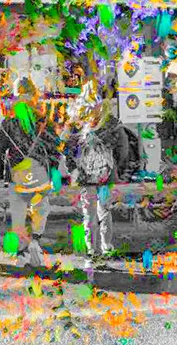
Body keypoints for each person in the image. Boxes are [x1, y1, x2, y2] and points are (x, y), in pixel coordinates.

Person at [0, 76, 61, 267]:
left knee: (18, 213)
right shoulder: (43, 120)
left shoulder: (9, 122)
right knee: (41, 208)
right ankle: (36, 241)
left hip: (17, 173)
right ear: (34, 95)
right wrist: (53, 171)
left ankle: (21, 252)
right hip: (40, 173)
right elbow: (54, 148)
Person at [65, 80, 117, 275]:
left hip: (86, 177)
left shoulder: (77, 119)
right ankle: (106, 247)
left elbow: (67, 147)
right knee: (105, 211)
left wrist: (72, 168)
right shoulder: (109, 119)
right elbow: (120, 145)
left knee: (89, 214)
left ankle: (92, 251)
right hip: (104, 176)